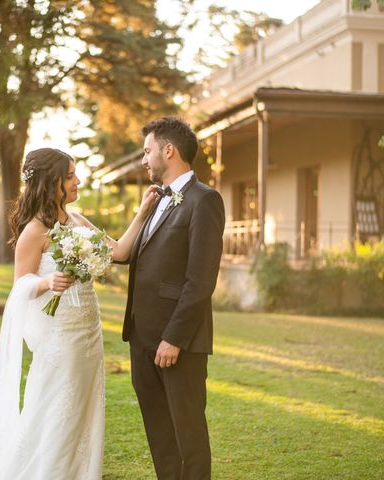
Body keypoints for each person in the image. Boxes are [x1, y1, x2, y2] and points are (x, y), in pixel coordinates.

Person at [0, 147, 159, 480]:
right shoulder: (34, 230)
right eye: (70, 176)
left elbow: (119, 251)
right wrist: (46, 282)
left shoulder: (77, 220)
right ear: (50, 182)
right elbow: (19, 287)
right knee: (58, 408)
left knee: (86, 405)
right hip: (62, 333)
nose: (78, 181)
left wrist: (142, 212)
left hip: (89, 328)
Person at [121, 117, 225, 480]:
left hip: (177, 342)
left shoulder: (205, 200)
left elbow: (200, 280)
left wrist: (174, 338)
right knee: (159, 433)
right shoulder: (154, 201)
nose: (145, 159)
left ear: (169, 150)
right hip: (141, 338)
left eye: (148, 151)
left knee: (188, 434)